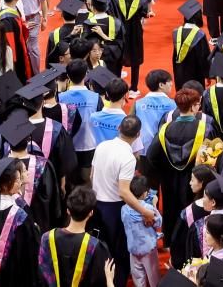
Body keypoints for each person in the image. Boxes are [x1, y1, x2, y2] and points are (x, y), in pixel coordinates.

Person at [92, 115, 155, 287]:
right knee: (118, 251)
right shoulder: (128, 157)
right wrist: (145, 211)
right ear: (138, 135)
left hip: (97, 205)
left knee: (101, 246)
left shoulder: (102, 146)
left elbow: (92, 176)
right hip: (114, 209)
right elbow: (124, 192)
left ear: (119, 128)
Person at [38, 185, 112, 287]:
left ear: (68, 210)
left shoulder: (46, 238)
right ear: (91, 213)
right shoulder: (96, 248)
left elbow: (42, 275)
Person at [122, 174, 161, 287]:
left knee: (138, 278)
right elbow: (158, 222)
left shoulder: (124, 209)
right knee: (154, 277)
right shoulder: (148, 209)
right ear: (145, 193)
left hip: (133, 248)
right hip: (148, 249)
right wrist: (154, 204)